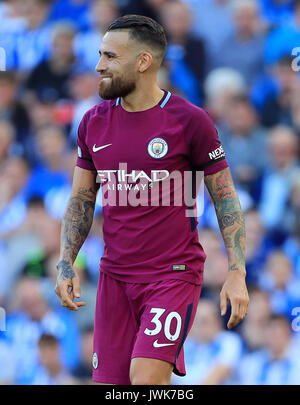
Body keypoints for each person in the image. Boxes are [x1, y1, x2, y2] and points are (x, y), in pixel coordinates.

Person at [55, 14, 249, 385]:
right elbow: (81, 198)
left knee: (145, 380)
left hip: (171, 276)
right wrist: (66, 262)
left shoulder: (189, 122)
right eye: (100, 55)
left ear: (143, 62)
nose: (99, 66)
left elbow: (225, 199)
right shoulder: (92, 122)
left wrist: (237, 272)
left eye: (110, 57)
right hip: (115, 278)